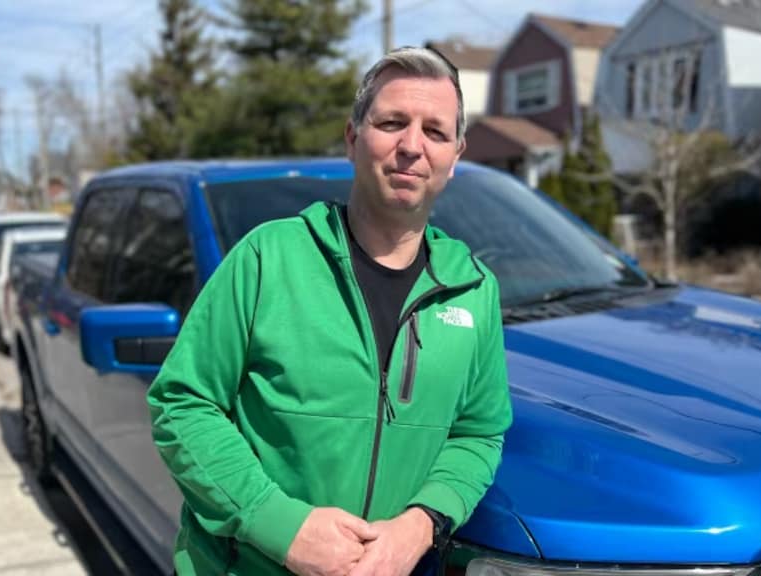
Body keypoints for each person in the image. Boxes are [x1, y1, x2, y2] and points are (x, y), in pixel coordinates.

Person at [147, 46, 513, 576]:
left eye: (435, 131)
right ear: (352, 137)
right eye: (392, 123)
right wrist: (278, 525)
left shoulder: (474, 290)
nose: (412, 146)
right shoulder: (267, 258)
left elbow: (478, 433)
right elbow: (181, 403)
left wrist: (421, 525)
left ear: (455, 157)